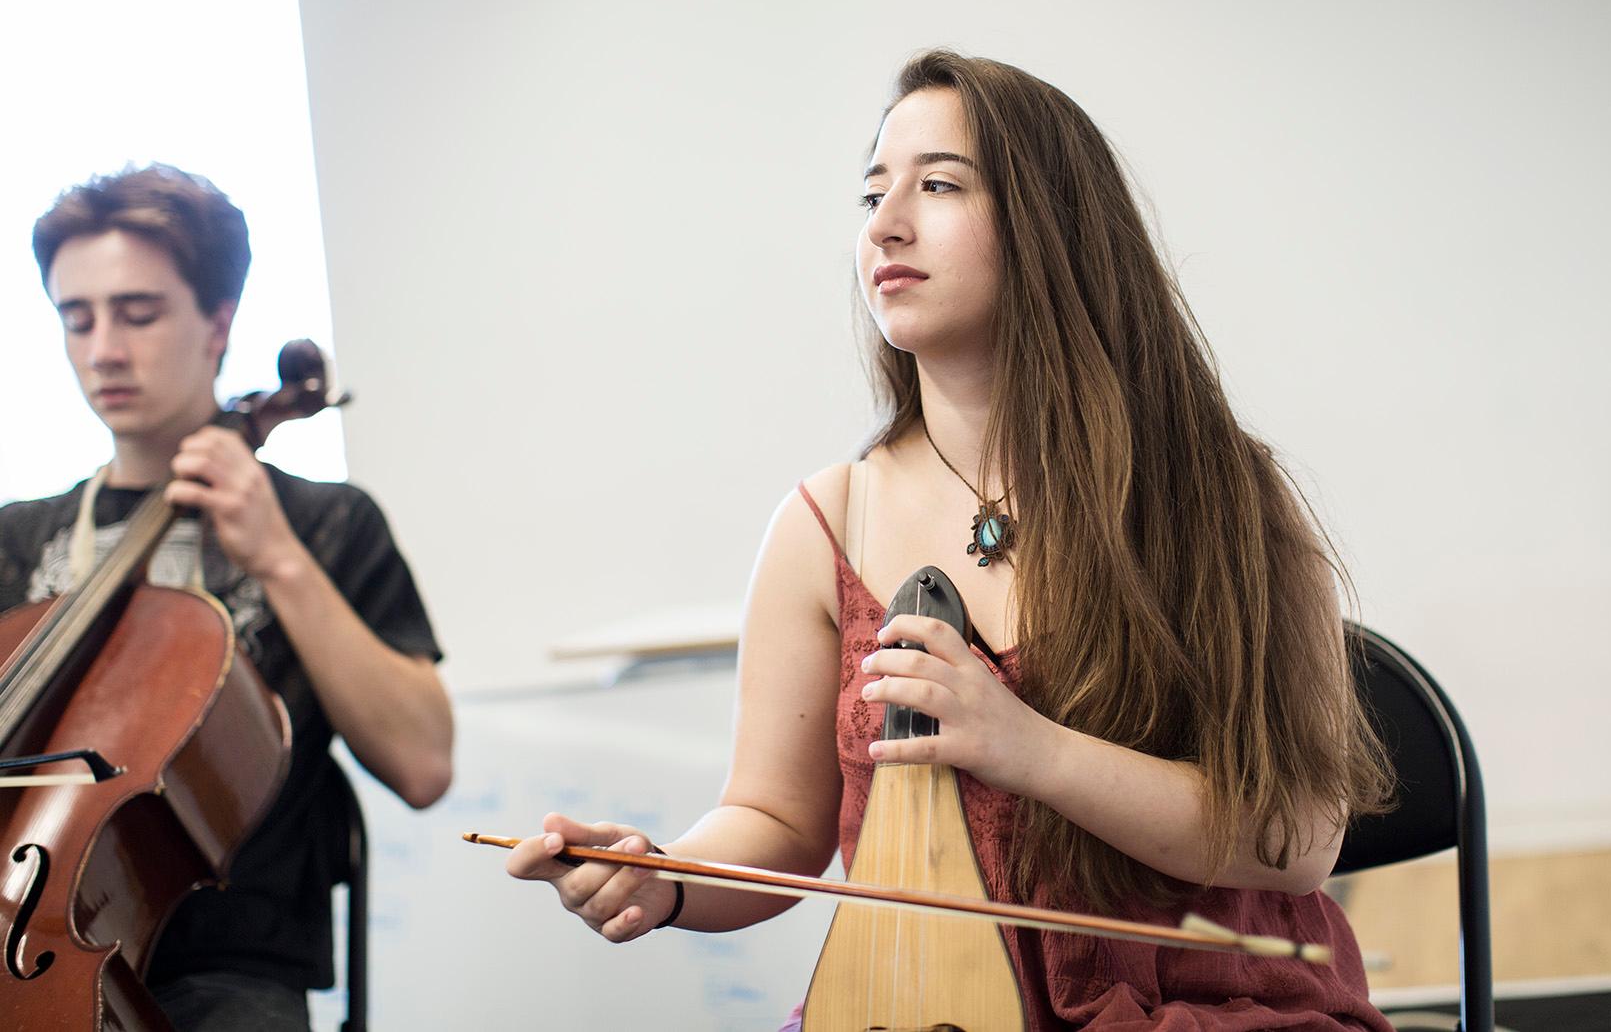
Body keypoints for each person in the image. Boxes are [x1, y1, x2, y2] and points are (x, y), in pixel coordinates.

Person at [506, 51, 1394, 1029]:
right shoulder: (823, 523)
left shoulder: (1221, 496)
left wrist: (1027, 747)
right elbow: (775, 821)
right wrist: (666, 875)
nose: (884, 224)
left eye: (937, 185)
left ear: (1050, 222)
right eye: (871, 193)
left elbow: (1296, 838)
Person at [0, 164, 454, 1031]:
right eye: (77, 318)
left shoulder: (325, 523)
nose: (103, 350)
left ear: (218, 322)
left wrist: (278, 556)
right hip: (26, 942)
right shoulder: (16, 537)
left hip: (227, 974)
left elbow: (425, 764)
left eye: (138, 313)